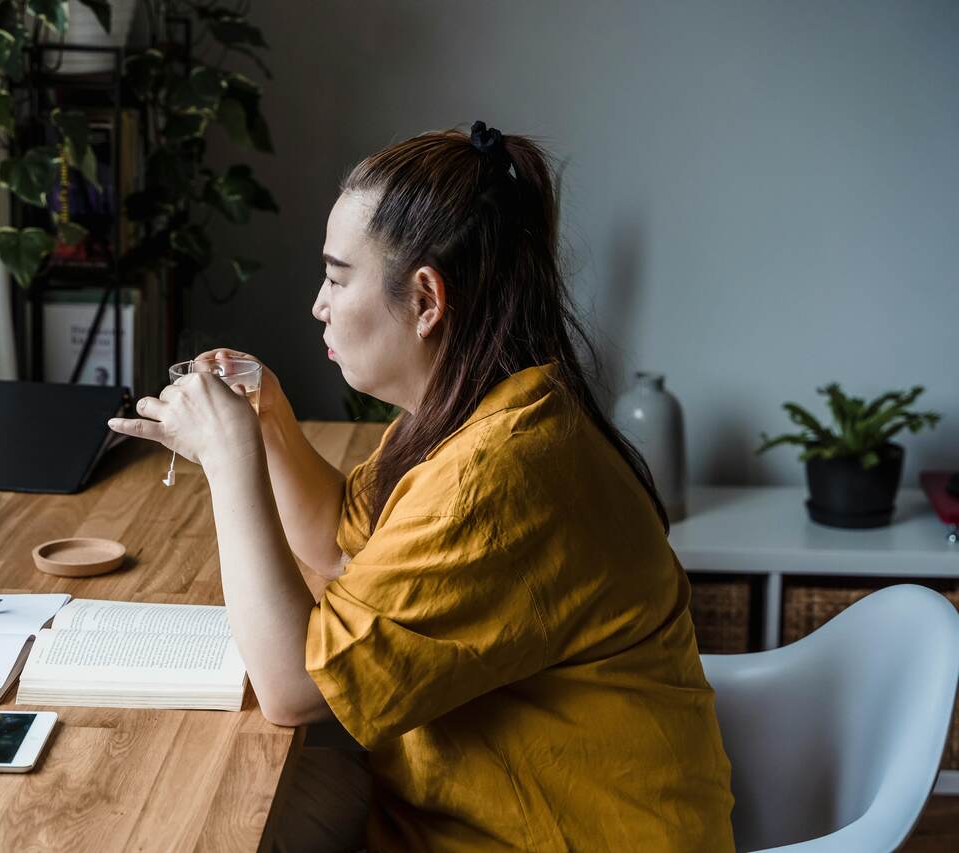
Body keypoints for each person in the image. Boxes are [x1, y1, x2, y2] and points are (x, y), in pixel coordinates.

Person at [107, 121, 735, 852]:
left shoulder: (499, 473)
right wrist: (268, 415)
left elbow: (293, 689)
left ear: (428, 299)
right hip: (451, 811)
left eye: (338, 277)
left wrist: (228, 459)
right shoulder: (487, 413)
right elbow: (346, 538)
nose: (319, 304)